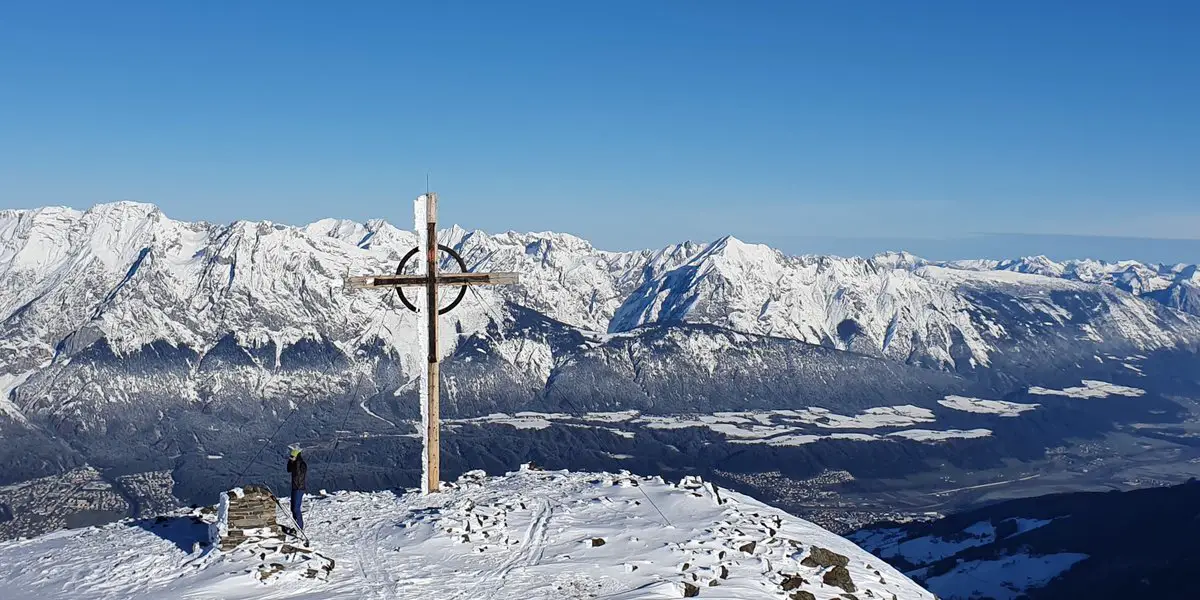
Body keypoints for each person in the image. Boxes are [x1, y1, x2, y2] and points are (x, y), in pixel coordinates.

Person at [286, 446, 307, 531]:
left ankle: (300, 527)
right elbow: (288, 469)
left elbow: (299, 473)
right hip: (295, 487)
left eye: (292, 457)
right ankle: (296, 525)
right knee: (293, 508)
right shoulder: (294, 464)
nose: (291, 458)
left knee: (296, 508)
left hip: (299, 488)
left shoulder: (301, 464)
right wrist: (290, 461)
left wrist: (296, 460)